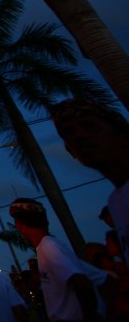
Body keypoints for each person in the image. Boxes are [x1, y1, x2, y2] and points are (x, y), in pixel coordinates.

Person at [50, 99, 129, 264]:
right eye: (69, 132)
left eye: (89, 125)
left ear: (121, 132)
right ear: (69, 150)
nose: (79, 136)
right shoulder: (115, 201)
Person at [9, 198, 105, 321]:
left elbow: (82, 283)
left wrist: (90, 317)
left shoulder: (49, 247)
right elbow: (102, 278)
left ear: (20, 224)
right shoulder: (50, 247)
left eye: (16, 221)